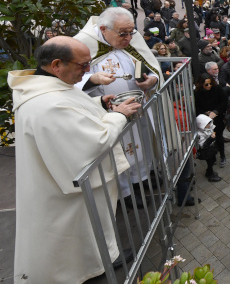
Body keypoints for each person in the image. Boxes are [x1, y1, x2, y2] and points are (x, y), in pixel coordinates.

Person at [9, 36, 140, 283]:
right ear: (57, 64)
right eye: (83, 65)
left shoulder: (48, 85)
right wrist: (119, 116)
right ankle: (92, 269)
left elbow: (72, 109)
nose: (88, 71)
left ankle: (104, 257)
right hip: (64, 197)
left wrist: (98, 103)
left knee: (95, 231)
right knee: (78, 241)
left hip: (63, 187)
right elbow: (94, 143)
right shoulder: (47, 104)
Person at [74, 7, 161, 208]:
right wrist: (93, 79)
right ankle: (126, 195)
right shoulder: (83, 45)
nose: (129, 38)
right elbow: (67, 82)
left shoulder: (127, 42)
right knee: (120, 154)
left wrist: (152, 80)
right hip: (107, 115)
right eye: (123, 34)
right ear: (104, 29)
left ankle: (142, 180)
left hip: (137, 110)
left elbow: (150, 68)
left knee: (141, 148)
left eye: (132, 32)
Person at [194, 73, 227, 172]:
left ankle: (222, 155)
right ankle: (211, 157)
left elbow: (224, 102)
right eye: (206, 84)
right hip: (205, 121)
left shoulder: (218, 89)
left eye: (210, 84)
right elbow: (196, 107)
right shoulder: (197, 92)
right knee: (208, 140)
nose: (209, 86)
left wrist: (216, 111)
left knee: (219, 136)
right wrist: (205, 112)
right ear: (201, 84)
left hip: (217, 118)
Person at [195, 114, 220, 182]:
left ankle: (208, 172)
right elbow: (203, 145)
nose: (209, 125)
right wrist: (211, 138)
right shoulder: (200, 134)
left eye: (209, 123)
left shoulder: (207, 129)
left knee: (211, 162)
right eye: (206, 124)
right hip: (206, 152)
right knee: (210, 162)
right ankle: (210, 175)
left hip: (210, 149)